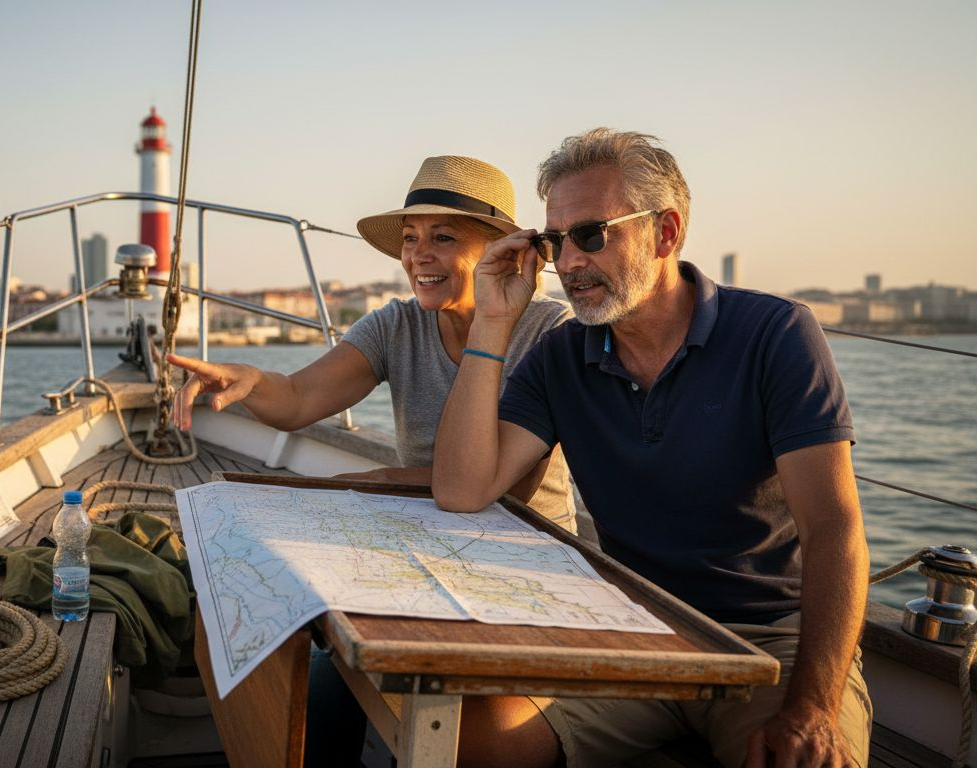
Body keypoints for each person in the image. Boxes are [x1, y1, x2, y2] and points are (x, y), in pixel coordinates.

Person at [432, 129, 872, 767]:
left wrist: (812, 707)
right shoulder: (560, 358)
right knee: (465, 740)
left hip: (770, 640)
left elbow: (833, 528)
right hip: (629, 625)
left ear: (665, 233)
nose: (568, 263)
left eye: (590, 235)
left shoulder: (775, 334)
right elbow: (461, 489)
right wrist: (494, 322)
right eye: (554, 241)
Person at [169, 154, 577, 530]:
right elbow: (297, 398)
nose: (418, 256)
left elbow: (509, 489)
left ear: (502, 253)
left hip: (525, 539)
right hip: (422, 525)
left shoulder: (549, 332)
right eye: (410, 238)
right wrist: (250, 380)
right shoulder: (396, 325)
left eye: (443, 238)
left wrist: (381, 479)